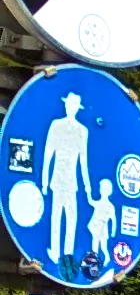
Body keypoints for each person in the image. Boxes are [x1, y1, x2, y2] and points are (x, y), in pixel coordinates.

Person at [38, 93, 89, 270]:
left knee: (71, 218)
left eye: (72, 105)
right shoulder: (56, 125)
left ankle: (67, 253)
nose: (69, 108)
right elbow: (48, 154)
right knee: (56, 216)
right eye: (68, 105)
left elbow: (83, 160)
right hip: (58, 179)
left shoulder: (82, 131)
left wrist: (87, 186)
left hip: (71, 181)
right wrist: (44, 181)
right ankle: (55, 251)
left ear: (76, 108)